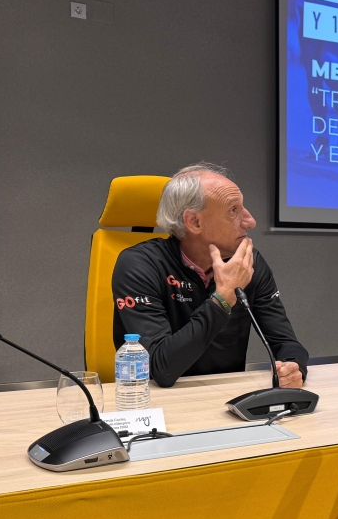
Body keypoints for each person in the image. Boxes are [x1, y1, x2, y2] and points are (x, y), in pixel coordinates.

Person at [111, 163, 309, 387]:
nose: (250, 221)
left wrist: (294, 366)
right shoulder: (139, 264)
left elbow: (285, 342)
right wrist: (222, 298)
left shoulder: (248, 263)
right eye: (233, 210)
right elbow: (161, 368)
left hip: (225, 398)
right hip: (156, 402)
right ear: (194, 221)